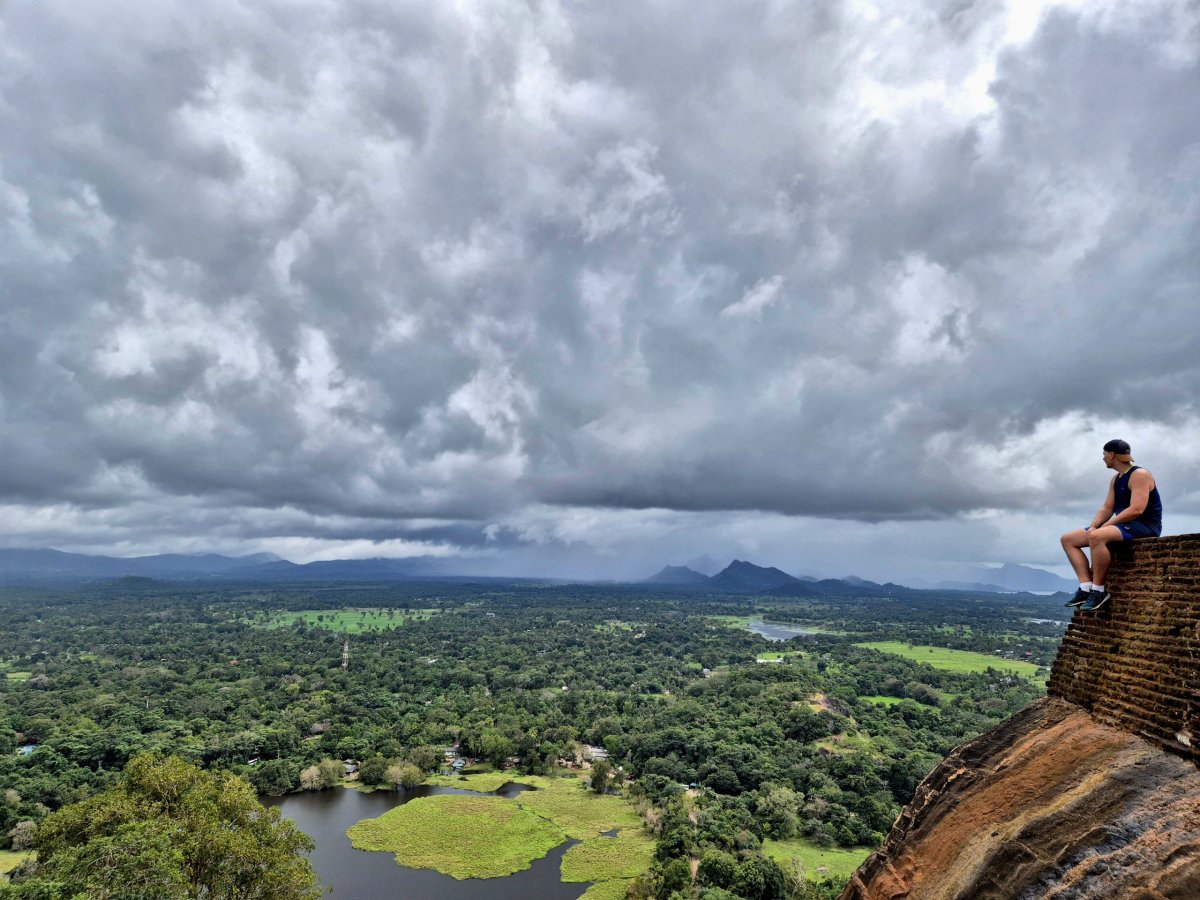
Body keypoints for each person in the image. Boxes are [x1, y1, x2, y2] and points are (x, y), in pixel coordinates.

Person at [1060, 439, 1162, 611]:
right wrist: (1094, 525)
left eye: (1104, 455)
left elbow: (1136, 509)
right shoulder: (1116, 479)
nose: (1103, 459)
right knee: (1068, 539)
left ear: (1111, 455)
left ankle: (1099, 590)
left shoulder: (1140, 475)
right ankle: (1085, 587)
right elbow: (1107, 507)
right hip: (1122, 526)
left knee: (1097, 536)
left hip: (1144, 526)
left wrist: (1104, 527)